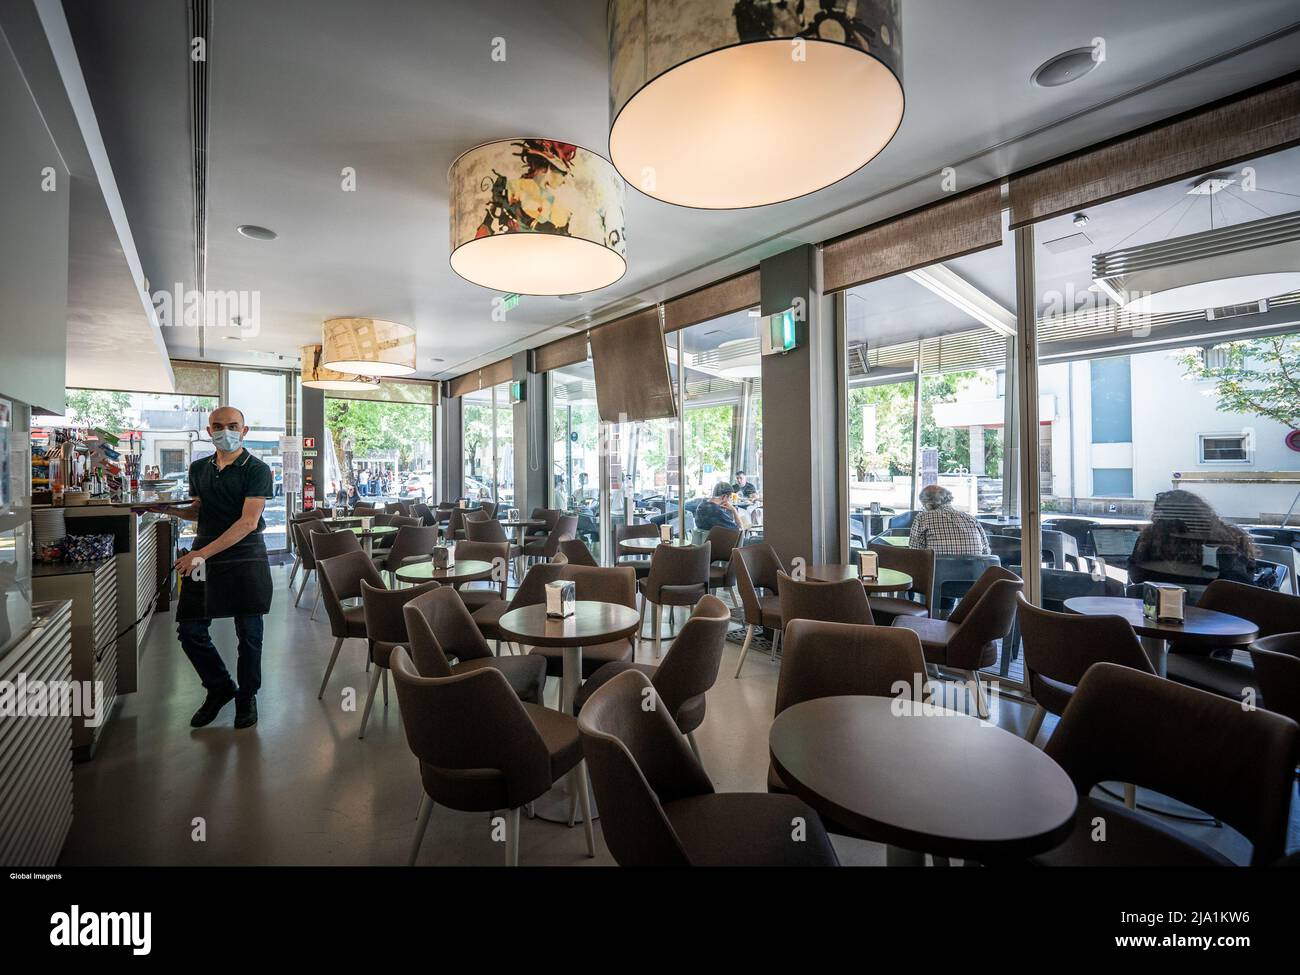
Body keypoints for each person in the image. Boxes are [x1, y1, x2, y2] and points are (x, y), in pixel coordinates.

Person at [154, 406, 274, 729]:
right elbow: (200, 513)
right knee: (190, 629)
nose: (226, 431)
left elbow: (248, 522)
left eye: (233, 426)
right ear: (209, 431)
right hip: (204, 554)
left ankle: (247, 696)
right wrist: (164, 508)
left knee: (249, 634)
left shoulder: (258, 470)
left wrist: (201, 553)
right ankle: (220, 687)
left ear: (245, 431)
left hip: (245, 556)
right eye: (218, 426)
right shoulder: (198, 469)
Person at [1129, 489, 1257, 586]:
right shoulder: (1231, 536)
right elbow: (1243, 581)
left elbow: (1136, 576)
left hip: (1162, 610)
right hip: (1220, 613)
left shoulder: (1149, 540)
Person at [909, 484, 991, 555]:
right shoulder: (971, 519)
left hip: (937, 571)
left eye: (923, 505)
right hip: (974, 572)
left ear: (928, 504)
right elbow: (986, 552)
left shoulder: (922, 518)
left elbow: (914, 553)